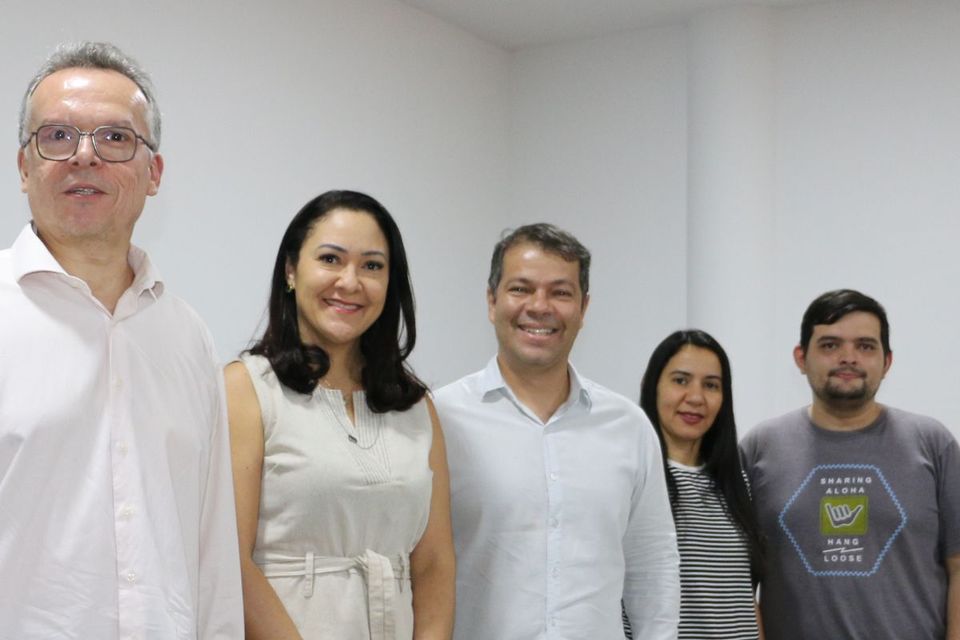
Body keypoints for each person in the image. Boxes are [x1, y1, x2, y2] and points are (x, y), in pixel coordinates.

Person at [0, 42, 242, 638]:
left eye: (115, 138)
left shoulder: (187, 335)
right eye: (57, 136)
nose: (85, 156)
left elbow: (212, 550)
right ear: (24, 167)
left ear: (154, 173)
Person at [226, 190, 455, 639]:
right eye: (331, 259)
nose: (351, 282)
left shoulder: (416, 405)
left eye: (372, 266)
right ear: (291, 270)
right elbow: (228, 558)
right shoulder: (246, 388)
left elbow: (434, 563)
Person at [435, 223, 680, 640]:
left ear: (583, 308)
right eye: (520, 289)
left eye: (560, 292)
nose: (539, 306)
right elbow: (418, 569)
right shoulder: (441, 418)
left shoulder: (628, 427)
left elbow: (652, 568)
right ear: (492, 301)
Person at [740, 289, 960, 640]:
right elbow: (738, 580)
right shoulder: (758, 449)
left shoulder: (933, 443)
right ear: (801, 358)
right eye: (830, 345)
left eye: (865, 346)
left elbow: (958, 565)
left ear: (887, 362)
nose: (848, 357)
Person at [637, 330, 763, 639]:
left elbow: (744, 598)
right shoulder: (634, 480)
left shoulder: (738, 484)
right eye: (680, 380)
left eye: (711, 385)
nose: (695, 398)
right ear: (653, 387)